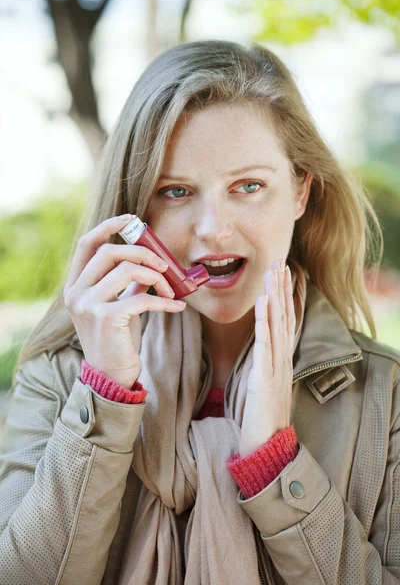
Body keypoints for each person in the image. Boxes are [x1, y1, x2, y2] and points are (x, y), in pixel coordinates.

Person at [0, 39, 399, 585]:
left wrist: (274, 464)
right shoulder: (59, 374)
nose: (213, 228)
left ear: (301, 192)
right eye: (176, 190)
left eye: (250, 186)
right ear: (133, 205)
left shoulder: (386, 393)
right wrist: (105, 396)